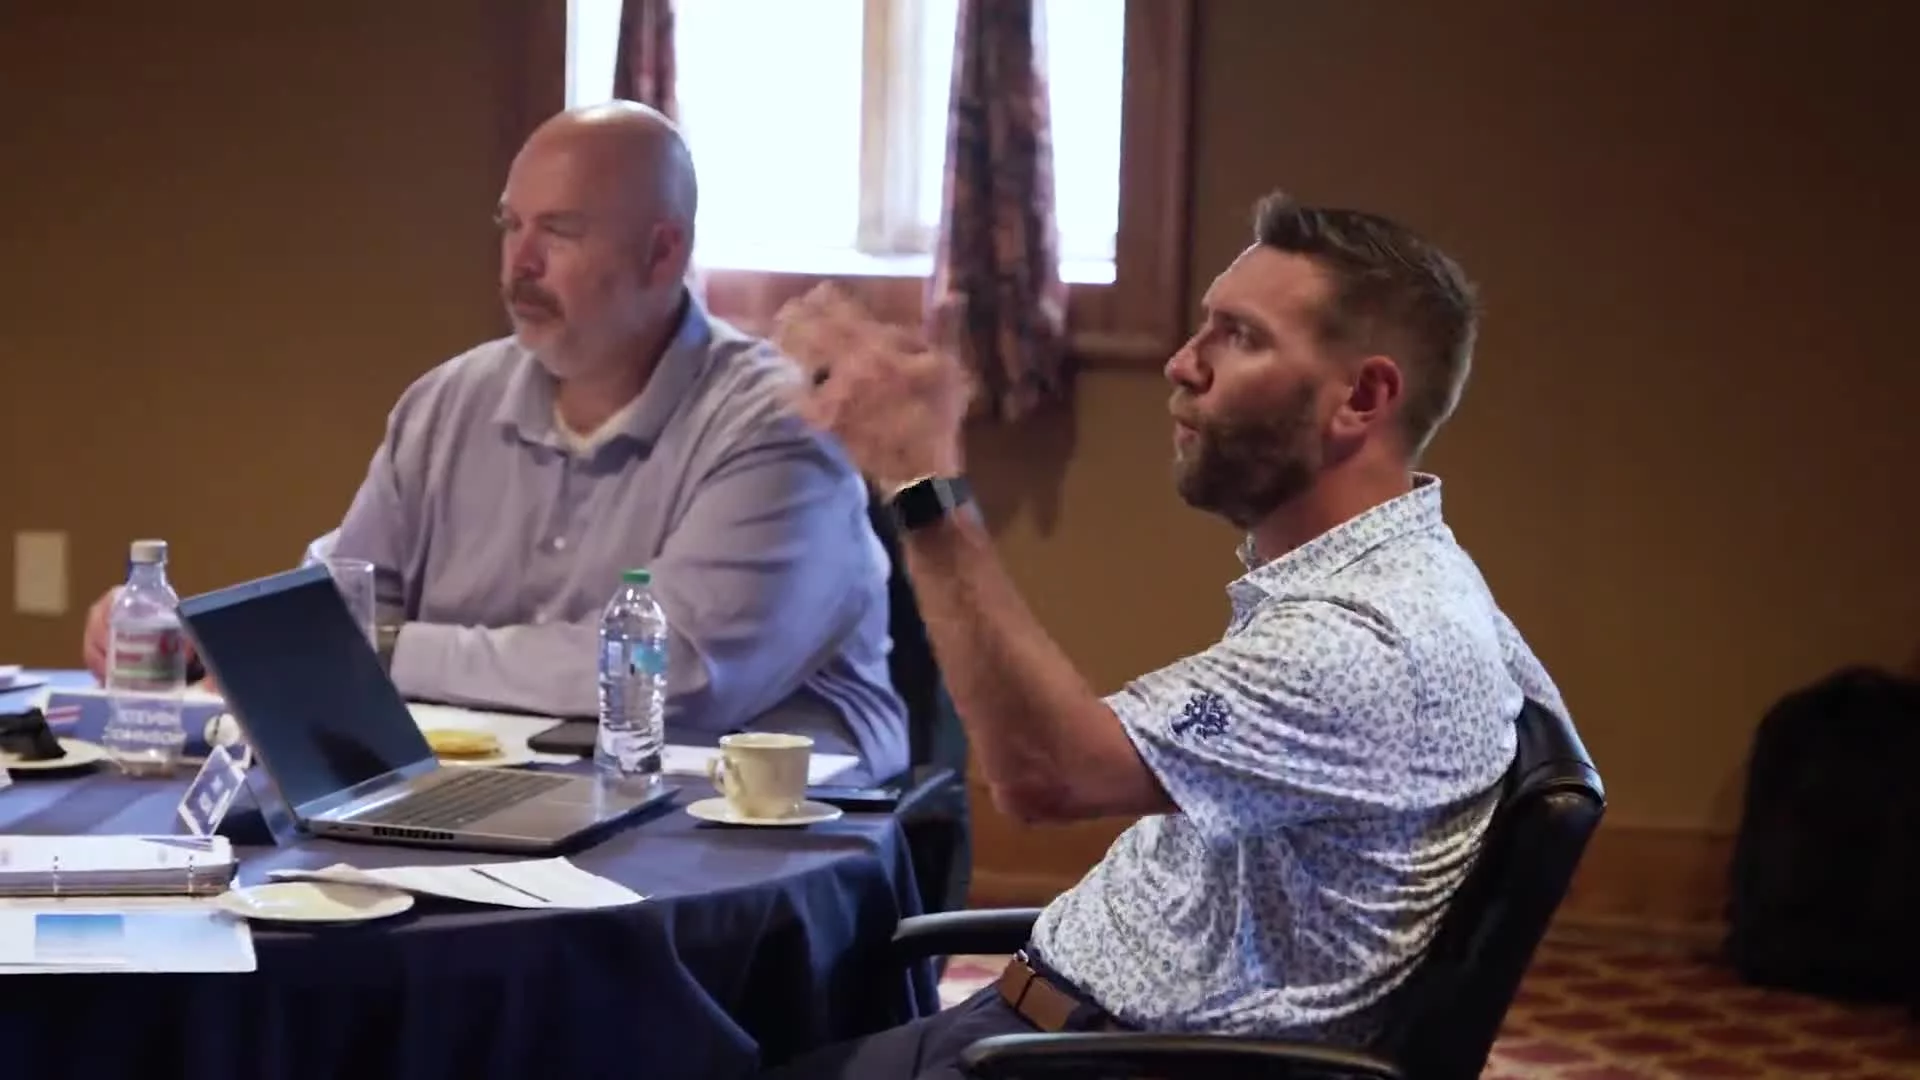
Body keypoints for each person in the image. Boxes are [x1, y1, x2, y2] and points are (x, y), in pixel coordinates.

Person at [760, 193, 1570, 1077]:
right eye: (1202, 328)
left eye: (1240, 337)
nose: (1183, 364)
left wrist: (922, 481)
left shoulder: (1367, 641)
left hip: (1083, 1064)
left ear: (1363, 397)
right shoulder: (1409, 573)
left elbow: (1047, 772)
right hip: (1042, 1034)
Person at [81, 101, 909, 781]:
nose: (520, 263)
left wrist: (385, 650)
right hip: (490, 793)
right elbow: (341, 610)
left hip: (747, 831)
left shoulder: (779, 424)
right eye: (511, 226)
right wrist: (193, 636)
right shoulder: (447, 403)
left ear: (663, 253)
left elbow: (675, 676)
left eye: (561, 231)